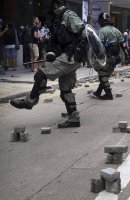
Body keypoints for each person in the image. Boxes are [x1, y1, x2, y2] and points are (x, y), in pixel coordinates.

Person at [10, 0, 87, 128]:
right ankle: (74, 118)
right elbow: (56, 41)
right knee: (65, 89)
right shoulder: (56, 20)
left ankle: (29, 102)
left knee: (41, 75)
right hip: (67, 56)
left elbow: (83, 32)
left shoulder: (68, 15)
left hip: (70, 56)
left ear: (55, 5)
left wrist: (80, 51)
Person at [93, 12, 128, 100]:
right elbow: (123, 44)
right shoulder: (116, 30)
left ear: (101, 21)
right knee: (106, 74)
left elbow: (100, 45)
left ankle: (108, 94)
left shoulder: (102, 31)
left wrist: (97, 56)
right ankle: (98, 92)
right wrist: (127, 55)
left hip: (107, 56)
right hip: (116, 57)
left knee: (102, 74)